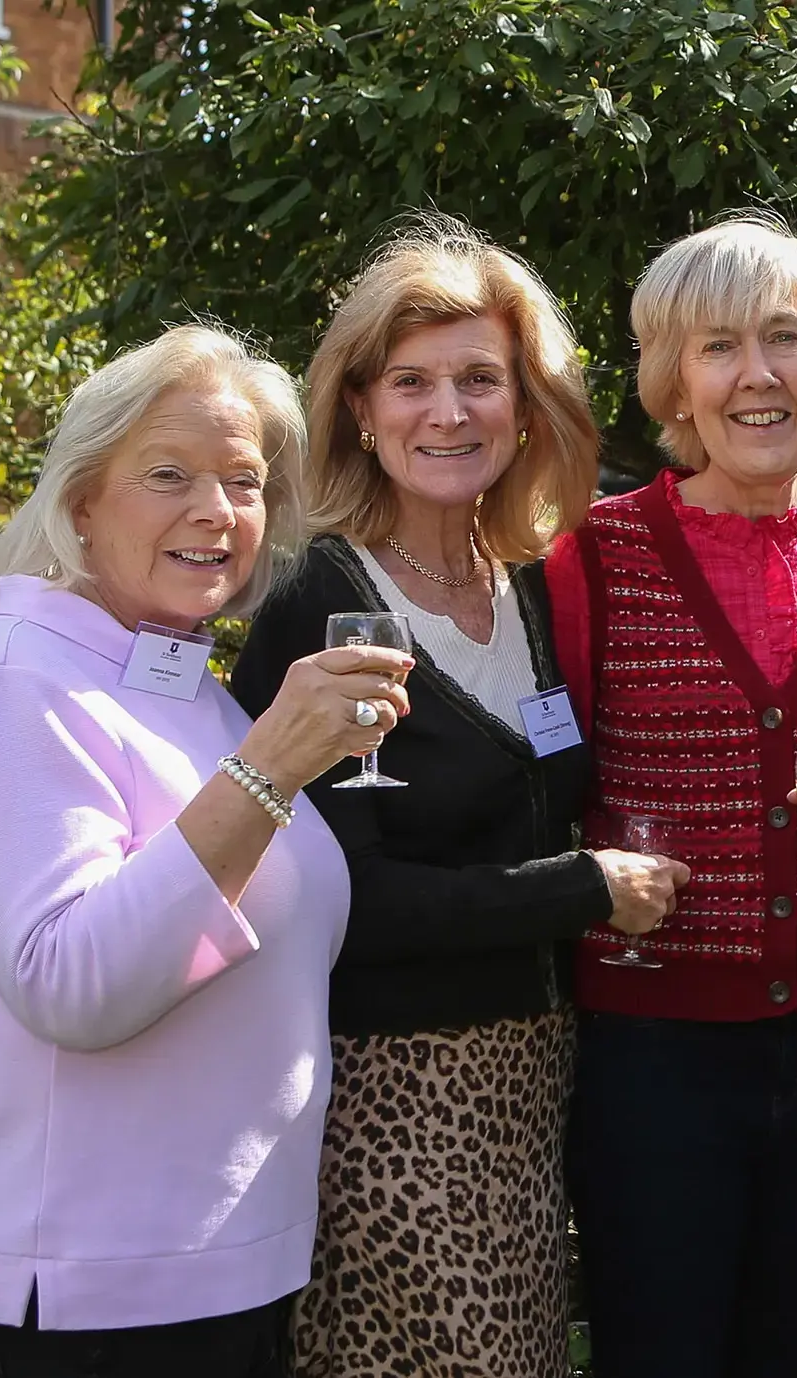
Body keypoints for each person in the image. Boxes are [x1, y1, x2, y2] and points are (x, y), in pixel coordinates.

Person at [0, 324, 413, 1375]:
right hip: (90, 1289)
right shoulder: (17, 682)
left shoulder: (176, 680)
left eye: (243, 480)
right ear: (80, 502)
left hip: (213, 1272)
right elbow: (73, 984)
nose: (215, 512)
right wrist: (271, 768)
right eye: (168, 474)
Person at [229, 218, 686, 1377]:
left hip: (534, 1081)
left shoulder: (530, 586)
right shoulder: (314, 601)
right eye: (413, 383)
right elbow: (346, 900)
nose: (448, 412)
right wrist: (579, 889)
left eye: (480, 379)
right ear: (361, 411)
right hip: (389, 1092)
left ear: (526, 407)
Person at [542, 213, 797, 1378]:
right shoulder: (591, 560)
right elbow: (540, 790)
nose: (757, 374)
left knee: (781, 1349)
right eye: (718, 346)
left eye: (786, 338)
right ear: (674, 380)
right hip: (652, 1052)